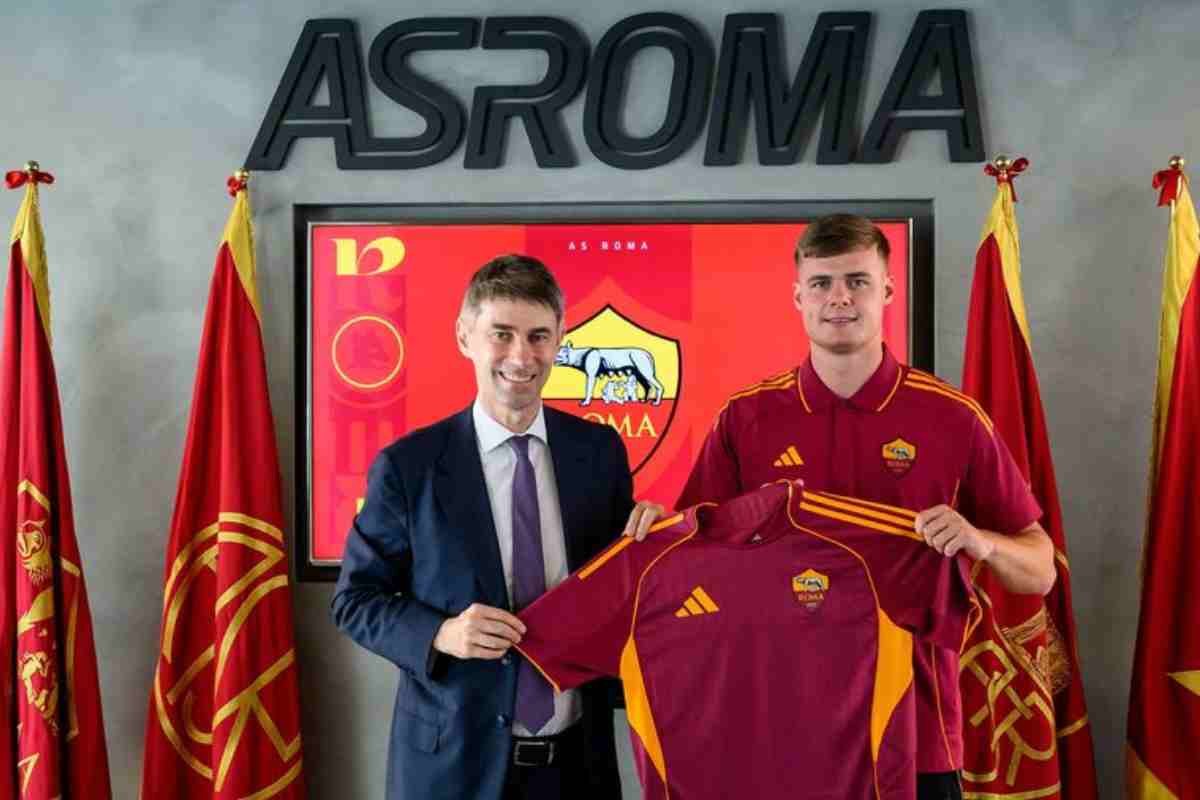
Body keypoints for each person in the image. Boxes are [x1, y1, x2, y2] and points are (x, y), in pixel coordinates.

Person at [623, 214, 1056, 800]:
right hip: (779, 729)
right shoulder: (747, 418)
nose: (840, 298)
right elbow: (693, 558)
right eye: (822, 283)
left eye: (857, 280)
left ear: (887, 290)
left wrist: (982, 543)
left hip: (916, 730)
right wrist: (657, 532)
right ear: (798, 297)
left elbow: (1040, 569)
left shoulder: (953, 417)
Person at [333, 254, 633, 800]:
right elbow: (354, 601)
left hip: (577, 768)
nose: (521, 356)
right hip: (452, 769)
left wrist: (657, 542)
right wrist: (441, 633)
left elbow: (621, 589)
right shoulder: (409, 466)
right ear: (464, 337)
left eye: (538, 336)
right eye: (502, 334)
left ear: (560, 340)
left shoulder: (599, 453)